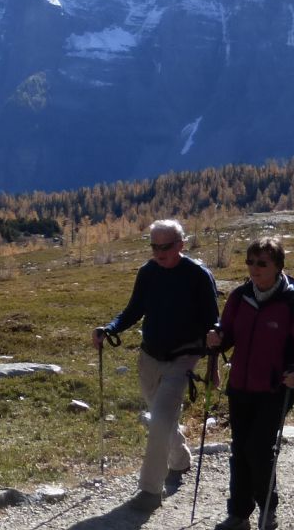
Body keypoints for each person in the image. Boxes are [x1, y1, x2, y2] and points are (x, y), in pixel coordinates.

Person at [93, 219, 220, 512]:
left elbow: (213, 323)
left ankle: (150, 491)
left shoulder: (198, 275)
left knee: (160, 419)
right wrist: (110, 329)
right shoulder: (148, 272)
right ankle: (180, 459)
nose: (159, 252)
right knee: (161, 415)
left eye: (166, 246)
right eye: (154, 246)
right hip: (149, 356)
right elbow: (134, 309)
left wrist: (213, 366)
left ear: (181, 245)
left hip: (184, 357)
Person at [205, 234, 294, 530]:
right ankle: (238, 515)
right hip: (241, 384)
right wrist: (216, 336)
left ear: (278, 266)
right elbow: (227, 333)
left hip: (276, 387)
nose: (254, 268)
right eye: (251, 262)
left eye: (262, 263)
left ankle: (268, 507)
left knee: (258, 447)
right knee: (240, 450)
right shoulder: (241, 296)